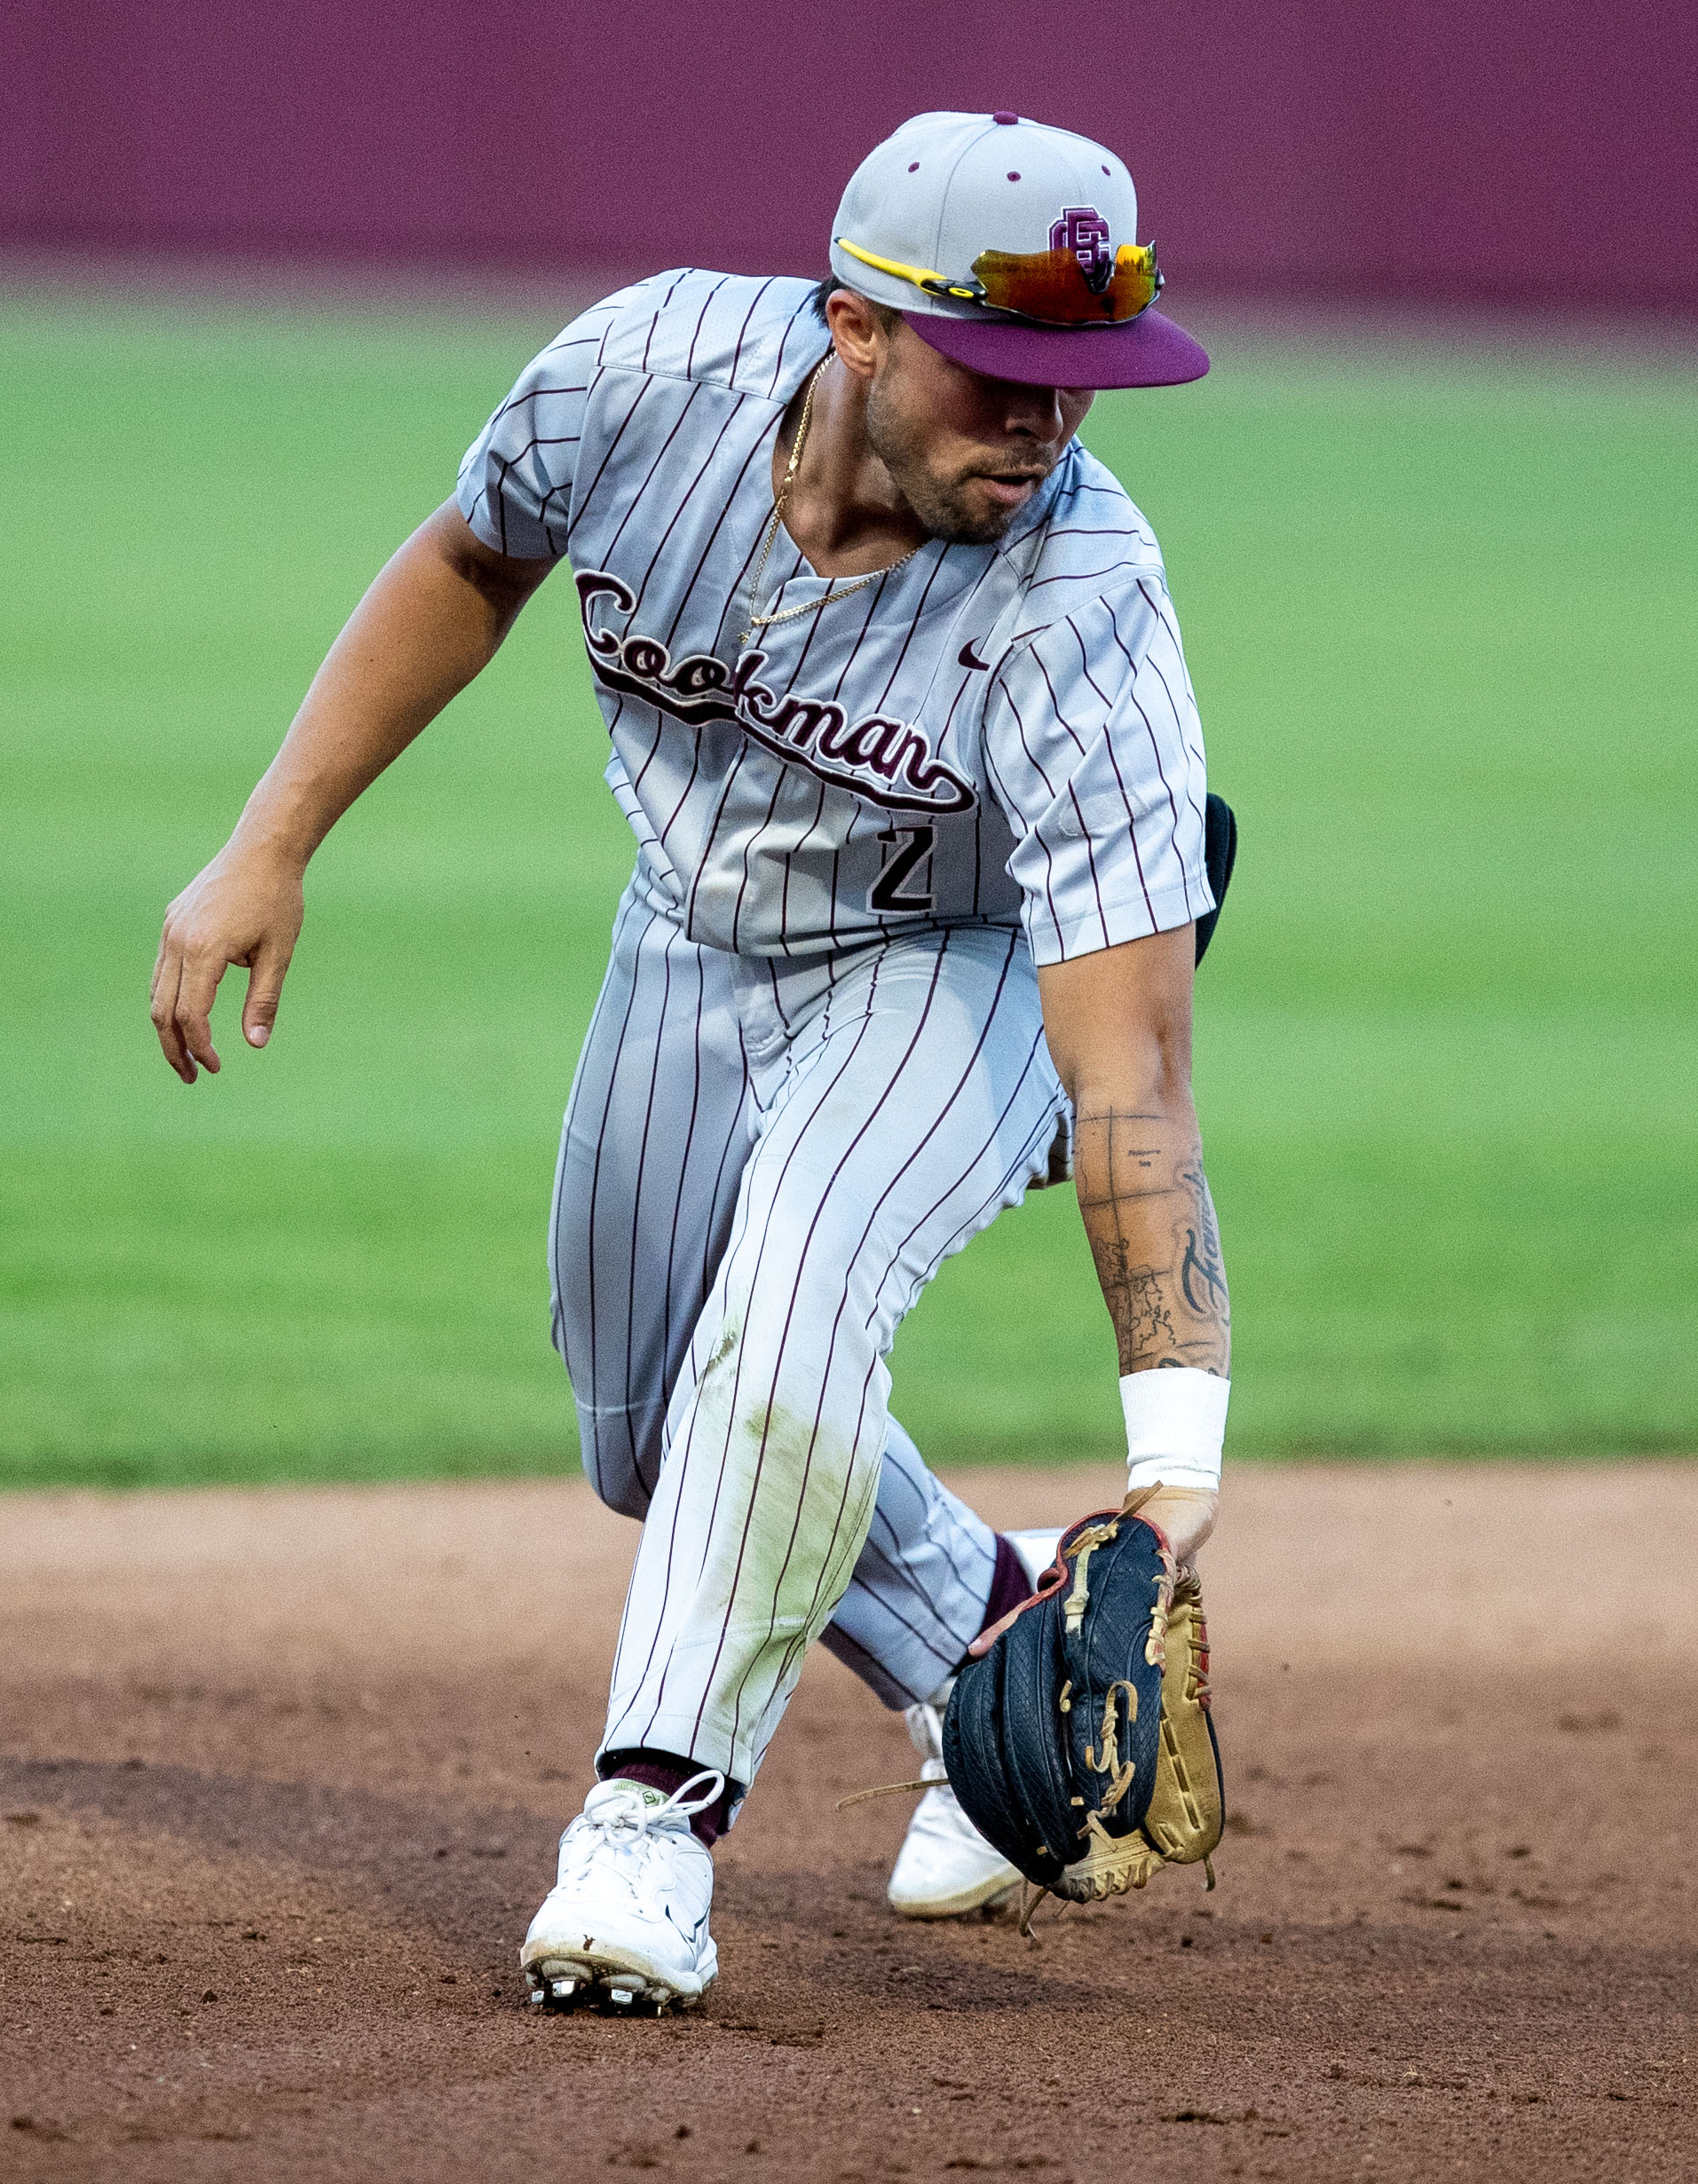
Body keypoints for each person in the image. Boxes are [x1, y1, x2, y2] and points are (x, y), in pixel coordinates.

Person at [147, 111, 1232, 2014]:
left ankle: (648, 1826)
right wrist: (270, 839)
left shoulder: (1086, 600)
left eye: (1083, 381)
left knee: (795, 1301)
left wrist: (1172, 1441)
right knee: (653, 1419)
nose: (1048, 422)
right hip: (689, 935)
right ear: (855, 329)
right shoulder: (642, 373)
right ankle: (986, 1639)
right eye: (1003, 371)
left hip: (952, 964)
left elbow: (1130, 1056)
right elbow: (468, 557)